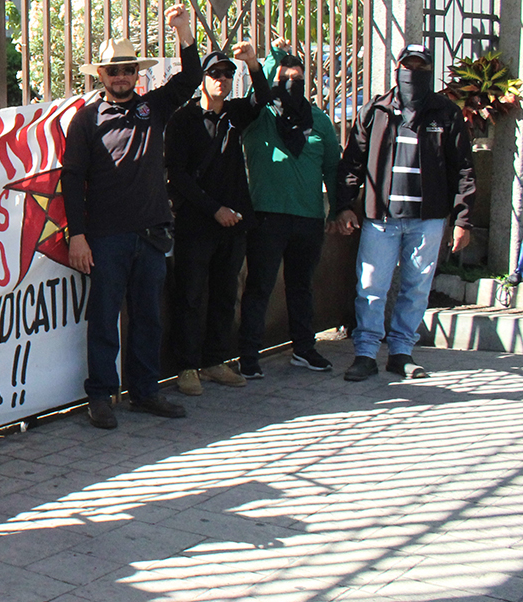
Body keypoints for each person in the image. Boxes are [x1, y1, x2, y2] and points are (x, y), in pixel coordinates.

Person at [63, 5, 202, 429]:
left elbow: (191, 79)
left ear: (137, 74)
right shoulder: (85, 120)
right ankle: (100, 396)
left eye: (127, 69)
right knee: (104, 319)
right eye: (113, 70)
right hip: (106, 237)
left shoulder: (153, 107)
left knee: (148, 318)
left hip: (152, 233)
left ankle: (144, 392)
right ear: (101, 76)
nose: (121, 76)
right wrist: (77, 235)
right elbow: (72, 180)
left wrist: (184, 33)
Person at [332, 44, 474, 380]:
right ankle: (366, 354)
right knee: (371, 287)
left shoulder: (446, 113)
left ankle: (401, 353)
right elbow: (352, 162)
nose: (413, 73)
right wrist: (342, 206)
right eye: (408, 66)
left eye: (420, 68)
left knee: (416, 289)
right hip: (381, 219)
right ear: (397, 69)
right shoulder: (376, 111)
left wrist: (462, 220)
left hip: (428, 220)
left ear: (429, 71)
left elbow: (464, 169)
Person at [163, 41, 270, 394]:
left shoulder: (234, 114)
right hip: (196, 224)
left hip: (235, 223)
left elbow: (262, 99)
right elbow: (177, 175)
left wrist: (253, 64)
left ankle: (215, 360)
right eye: (214, 73)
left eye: (227, 74)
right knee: (190, 296)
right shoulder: (183, 120)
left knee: (226, 294)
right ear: (203, 79)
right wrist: (213, 209)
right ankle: (187, 366)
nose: (221, 79)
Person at [236, 42, 344, 378]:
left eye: (297, 80)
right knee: (259, 287)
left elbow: (333, 167)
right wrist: (271, 58)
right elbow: (258, 91)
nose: (290, 85)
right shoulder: (261, 117)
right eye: (284, 80)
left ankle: (304, 348)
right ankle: (248, 355)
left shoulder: (319, 121)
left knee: (301, 286)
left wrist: (338, 210)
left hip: (309, 217)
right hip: (268, 215)